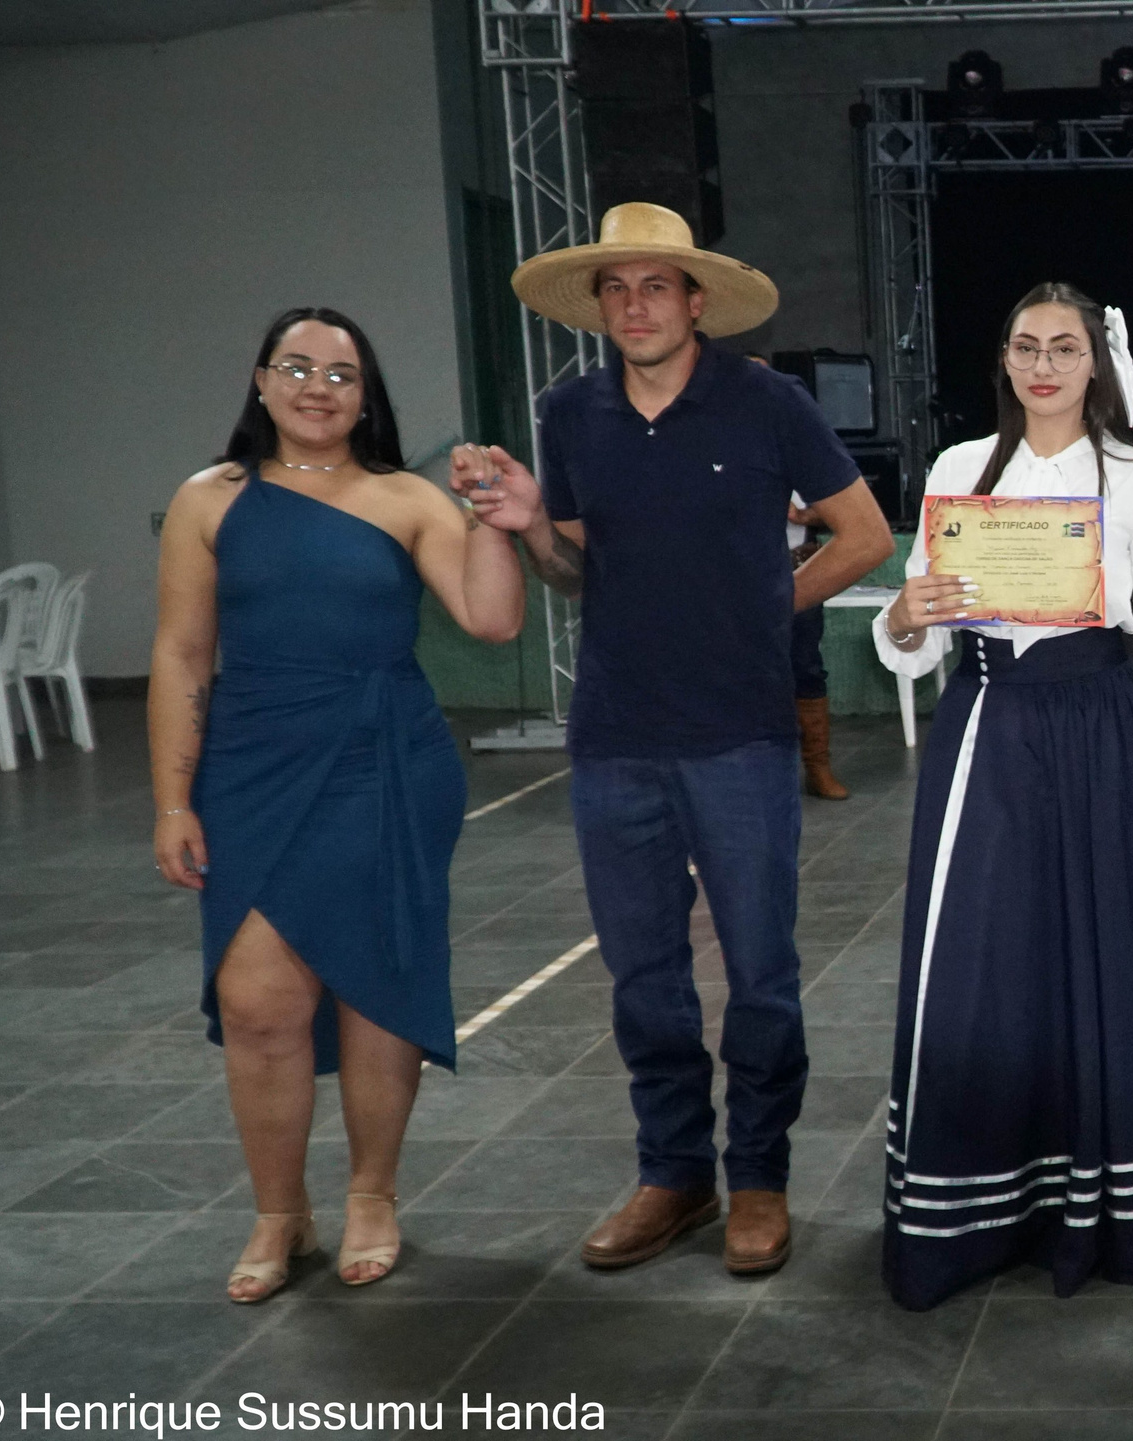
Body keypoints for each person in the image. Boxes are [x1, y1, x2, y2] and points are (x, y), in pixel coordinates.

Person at [460, 201, 894, 1277]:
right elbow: (573, 573)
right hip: (614, 734)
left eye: (656, 285)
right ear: (599, 306)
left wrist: (769, 607)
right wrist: (527, 526)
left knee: (758, 972)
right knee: (642, 975)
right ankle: (672, 1175)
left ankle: (758, 1177)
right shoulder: (571, 413)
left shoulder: (765, 402)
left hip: (740, 732)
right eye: (617, 288)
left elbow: (867, 533)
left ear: (696, 302)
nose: (635, 304)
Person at [870, 284, 1133, 1310]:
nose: (1044, 365)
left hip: (1096, 726)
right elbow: (917, 630)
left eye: (1066, 347)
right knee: (981, 955)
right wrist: (908, 615)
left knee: (1106, 945)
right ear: (1003, 359)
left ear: (1097, 363)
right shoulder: (960, 469)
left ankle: (1112, 1199)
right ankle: (979, 1207)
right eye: (1026, 347)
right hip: (986, 729)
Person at [150, 307, 530, 1302]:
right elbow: (182, 652)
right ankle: (279, 1213)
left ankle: (372, 1194)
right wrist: (169, 801)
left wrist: (494, 519)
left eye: (342, 373)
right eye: (297, 366)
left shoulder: (406, 496)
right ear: (261, 378)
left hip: (382, 761)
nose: (319, 387)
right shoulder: (209, 498)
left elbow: (491, 620)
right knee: (256, 1001)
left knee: (374, 988)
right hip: (250, 764)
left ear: (368, 395)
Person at [786, 489, 848, 798]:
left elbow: (846, 512)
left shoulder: (802, 454)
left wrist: (802, 515)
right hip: (739, 574)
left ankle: (817, 767)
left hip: (802, 572)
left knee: (807, 668)